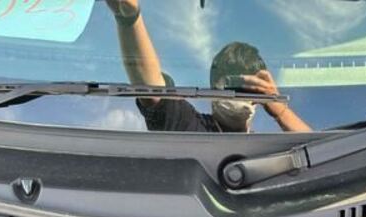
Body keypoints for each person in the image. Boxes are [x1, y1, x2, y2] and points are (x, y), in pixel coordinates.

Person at [106, 0, 311, 132]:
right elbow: (153, 91)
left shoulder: (270, 147)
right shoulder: (189, 126)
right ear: (213, 88)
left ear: (259, 96)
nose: (236, 92)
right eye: (228, 82)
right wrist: (128, 18)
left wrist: (280, 111)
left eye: (246, 85)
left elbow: (319, 156)